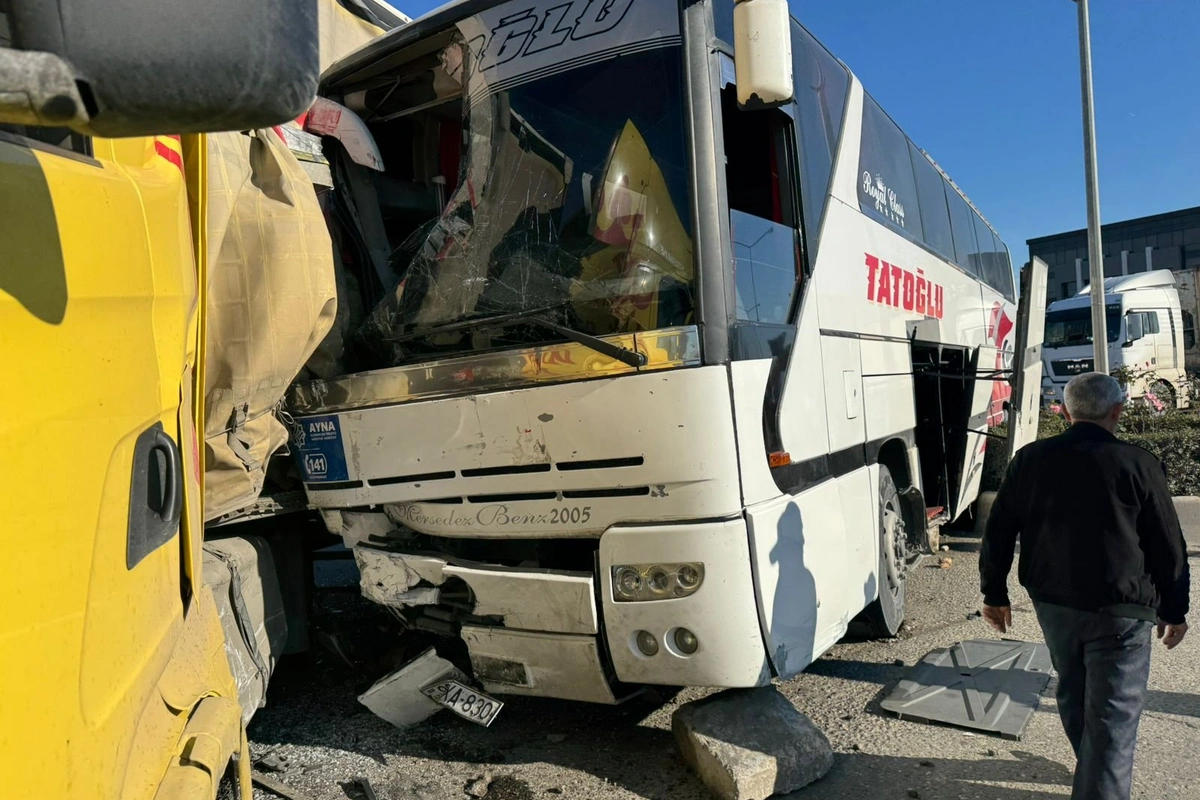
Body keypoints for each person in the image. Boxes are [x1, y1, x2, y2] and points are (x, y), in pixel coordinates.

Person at [980, 371, 1190, 800]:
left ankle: (1094, 772)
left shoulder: (1030, 459)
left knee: (1074, 693)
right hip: (1123, 611)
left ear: (1063, 411)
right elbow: (1168, 543)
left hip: (1053, 604)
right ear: (1117, 411)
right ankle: (1100, 783)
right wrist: (1175, 607)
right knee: (1112, 716)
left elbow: (999, 530)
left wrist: (994, 593)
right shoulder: (1138, 463)